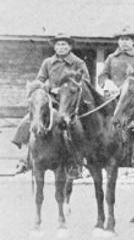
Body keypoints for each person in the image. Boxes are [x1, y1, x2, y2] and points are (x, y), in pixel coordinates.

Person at [12, 33, 89, 177]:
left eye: (64, 44)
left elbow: (85, 82)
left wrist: (68, 89)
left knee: (79, 126)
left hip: (70, 101)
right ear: (54, 46)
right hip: (52, 100)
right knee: (31, 120)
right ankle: (25, 159)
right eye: (58, 44)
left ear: (70, 47)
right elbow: (39, 81)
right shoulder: (48, 62)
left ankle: (79, 161)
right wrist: (48, 88)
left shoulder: (78, 63)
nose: (61, 47)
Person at [98, 26, 134, 165]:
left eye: (127, 39)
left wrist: (131, 84)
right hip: (113, 100)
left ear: (132, 42)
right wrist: (107, 83)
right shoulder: (111, 58)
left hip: (133, 102)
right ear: (118, 42)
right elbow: (102, 76)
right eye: (122, 39)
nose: (124, 42)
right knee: (104, 124)